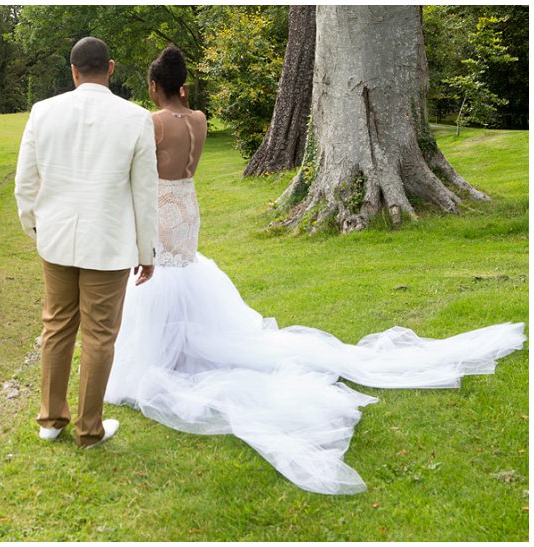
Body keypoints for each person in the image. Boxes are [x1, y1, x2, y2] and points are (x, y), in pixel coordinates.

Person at [104, 45, 526, 494]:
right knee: (183, 271)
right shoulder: (201, 119)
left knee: (162, 277)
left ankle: (168, 355)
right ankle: (183, 347)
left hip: (165, 206)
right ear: (183, 84)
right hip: (188, 206)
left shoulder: (153, 123)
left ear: (154, 86)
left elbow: (143, 173)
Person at [14, 37, 159, 449]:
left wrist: (36, 230)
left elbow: (25, 185)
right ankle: (88, 429)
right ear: (110, 68)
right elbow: (145, 194)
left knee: (57, 326)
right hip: (109, 244)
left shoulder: (43, 112)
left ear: (73, 70)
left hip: (56, 240)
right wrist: (146, 251)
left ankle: (50, 420)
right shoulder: (136, 118)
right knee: (99, 335)